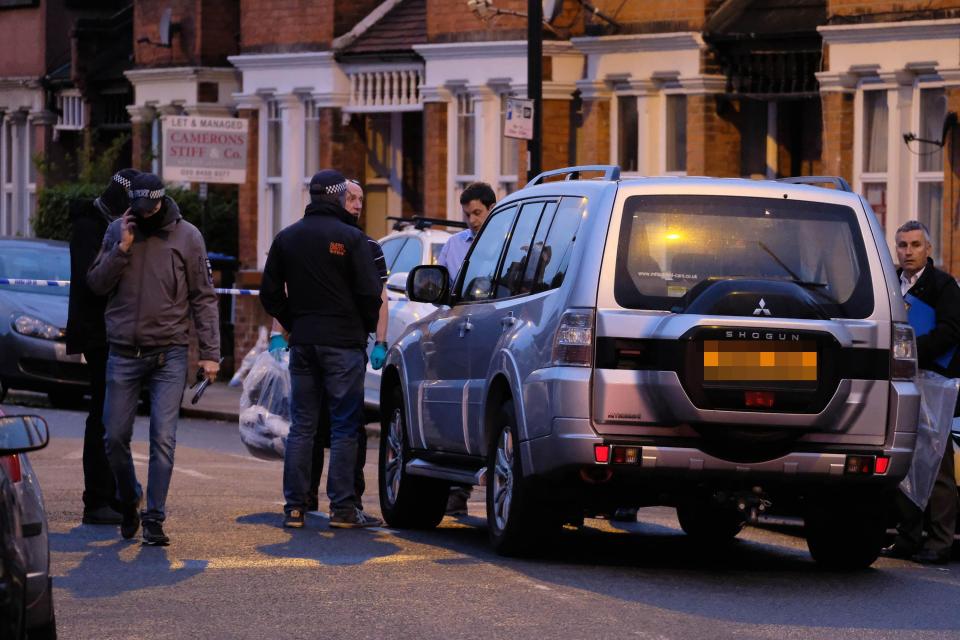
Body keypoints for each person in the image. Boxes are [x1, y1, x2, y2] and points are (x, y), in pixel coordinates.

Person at [87, 172, 220, 546]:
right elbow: (96, 283)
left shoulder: (188, 236)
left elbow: (204, 297)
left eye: (150, 208)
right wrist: (121, 250)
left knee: (163, 437)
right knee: (113, 437)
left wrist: (210, 355)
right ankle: (130, 498)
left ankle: (155, 516)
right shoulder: (118, 230)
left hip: (170, 353)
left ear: (161, 201)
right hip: (124, 352)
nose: (144, 215)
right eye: (138, 209)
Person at [260, 169, 383, 529]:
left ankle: (295, 507)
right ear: (336, 196)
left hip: (304, 341)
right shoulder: (351, 238)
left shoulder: (287, 238)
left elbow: (270, 294)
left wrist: (293, 321)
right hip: (344, 343)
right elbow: (370, 293)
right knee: (345, 426)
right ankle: (343, 509)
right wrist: (364, 326)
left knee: (303, 425)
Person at [306, 178, 389, 513]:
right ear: (337, 199)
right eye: (351, 198)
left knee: (342, 423)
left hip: (340, 344)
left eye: (361, 199)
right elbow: (287, 286)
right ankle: (315, 498)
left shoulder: (369, 246)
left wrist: (380, 341)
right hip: (333, 343)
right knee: (323, 424)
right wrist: (277, 333)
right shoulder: (320, 240)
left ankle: (343, 497)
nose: (357, 204)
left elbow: (381, 297)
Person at [882, 220, 960, 565]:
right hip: (899, 382)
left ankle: (941, 541)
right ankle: (908, 537)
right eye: (902, 245)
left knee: (937, 465)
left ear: (928, 248)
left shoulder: (944, 286)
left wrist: (908, 349)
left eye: (915, 245)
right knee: (903, 462)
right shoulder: (888, 283)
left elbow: (951, 331)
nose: (908, 251)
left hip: (934, 383)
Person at [66, 169, 139, 526]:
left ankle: (111, 494)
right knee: (104, 417)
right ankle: (97, 499)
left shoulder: (113, 223)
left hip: (118, 331)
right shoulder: (90, 226)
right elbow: (92, 282)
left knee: (114, 417)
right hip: (100, 333)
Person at [436, 181, 496, 516]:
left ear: (490, 208)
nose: (472, 220)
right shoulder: (454, 245)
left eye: (477, 212)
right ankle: (457, 489)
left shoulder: (507, 241)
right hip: (460, 334)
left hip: (493, 332)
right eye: (467, 213)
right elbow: (442, 286)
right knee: (457, 411)